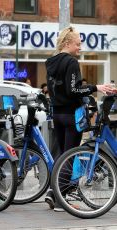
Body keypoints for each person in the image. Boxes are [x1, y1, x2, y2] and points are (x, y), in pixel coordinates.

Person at [44, 26, 117, 212]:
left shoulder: (50, 62)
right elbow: (74, 90)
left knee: (62, 154)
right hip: (71, 115)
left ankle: (54, 193)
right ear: (68, 43)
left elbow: (55, 90)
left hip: (57, 114)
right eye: (78, 44)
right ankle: (60, 199)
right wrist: (96, 87)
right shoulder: (71, 62)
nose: (80, 47)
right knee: (70, 156)